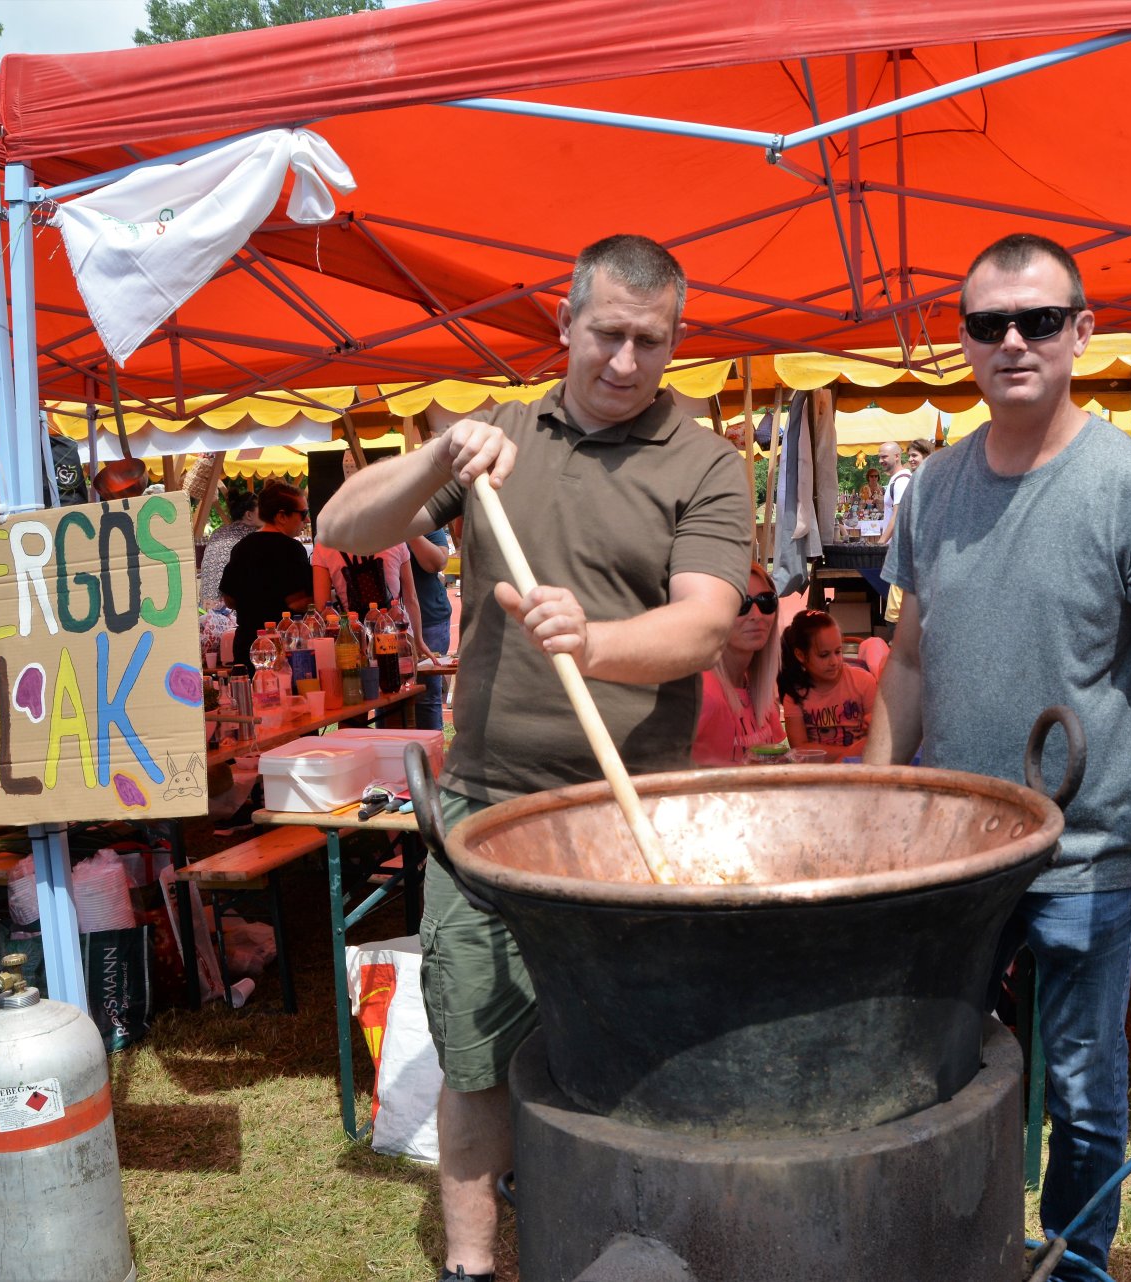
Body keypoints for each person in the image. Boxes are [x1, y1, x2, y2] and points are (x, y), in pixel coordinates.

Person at [315, 234, 752, 1282]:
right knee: (475, 1051)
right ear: (566, 323)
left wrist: (593, 640)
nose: (626, 361)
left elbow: (704, 626)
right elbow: (342, 524)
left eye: (652, 341)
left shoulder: (706, 463)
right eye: (607, 334)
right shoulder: (498, 438)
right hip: (486, 810)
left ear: (675, 341)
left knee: (637, 1050)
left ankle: (639, 1245)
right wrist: (438, 455)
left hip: (628, 817)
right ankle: (471, 1266)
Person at [865, 232, 1131, 1279]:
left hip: (1089, 854)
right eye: (989, 324)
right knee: (941, 1069)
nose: (1013, 341)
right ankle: (968, 1249)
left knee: (1083, 1088)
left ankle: (1076, 1265)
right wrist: (868, 808)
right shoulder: (933, 488)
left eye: (1038, 320)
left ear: (1081, 332)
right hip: (955, 854)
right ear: (963, 341)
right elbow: (909, 662)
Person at [691, 562, 784, 766]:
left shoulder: (759, 690)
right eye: (740, 604)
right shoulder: (701, 692)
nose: (757, 615)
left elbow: (775, 759)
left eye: (766, 601)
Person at [215, 481, 313, 669]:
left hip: (247, 645)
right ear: (282, 516)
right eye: (303, 514)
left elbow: (229, 600)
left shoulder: (241, 547)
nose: (307, 520)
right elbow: (297, 602)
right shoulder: (292, 549)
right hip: (282, 648)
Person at [779, 608, 878, 762]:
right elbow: (799, 750)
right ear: (800, 655)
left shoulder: (864, 682)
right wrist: (853, 753)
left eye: (838, 652)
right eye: (824, 655)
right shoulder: (794, 695)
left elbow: (879, 739)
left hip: (860, 770)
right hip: (819, 773)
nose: (834, 662)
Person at [408, 529, 455, 731]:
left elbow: (438, 563)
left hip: (428, 618)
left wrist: (407, 530)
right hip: (386, 621)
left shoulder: (424, 522)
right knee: (387, 698)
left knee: (426, 695)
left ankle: (431, 748)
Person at [198, 489, 259, 609]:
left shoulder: (218, 532)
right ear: (249, 515)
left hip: (205, 608)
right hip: (227, 611)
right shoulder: (251, 535)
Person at [874, 440, 911, 545]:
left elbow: (898, 515)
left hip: (898, 547)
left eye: (884, 457)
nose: (880, 461)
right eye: (879, 457)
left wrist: (881, 543)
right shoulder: (896, 479)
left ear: (897, 456)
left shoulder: (902, 481)